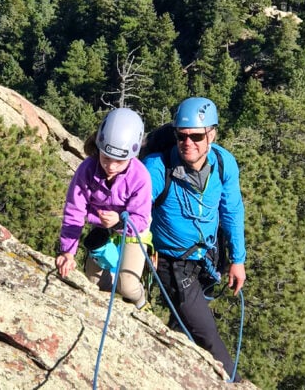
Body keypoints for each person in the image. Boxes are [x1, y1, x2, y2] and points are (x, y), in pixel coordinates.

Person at [145, 97, 246, 381]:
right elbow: (141, 200)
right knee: (206, 335)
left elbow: (232, 211)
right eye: (182, 135)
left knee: (184, 327)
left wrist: (237, 260)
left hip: (207, 259)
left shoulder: (224, 163)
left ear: (212, 134)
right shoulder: (159, 166)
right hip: (172, 264)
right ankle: (235, 383)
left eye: (197, 136)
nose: (188, 143)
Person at [56, 107, 152, 309]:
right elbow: (75, 211)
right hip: (100, 225)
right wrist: (67, 253)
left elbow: (142, 219)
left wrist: (119, 221)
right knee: (94, 282)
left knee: (127, 285)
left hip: (132, 228)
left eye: (120, 161)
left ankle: (141, 302)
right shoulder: (88, 169)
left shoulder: (140, 176)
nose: (111, 166)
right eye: (106, 157)